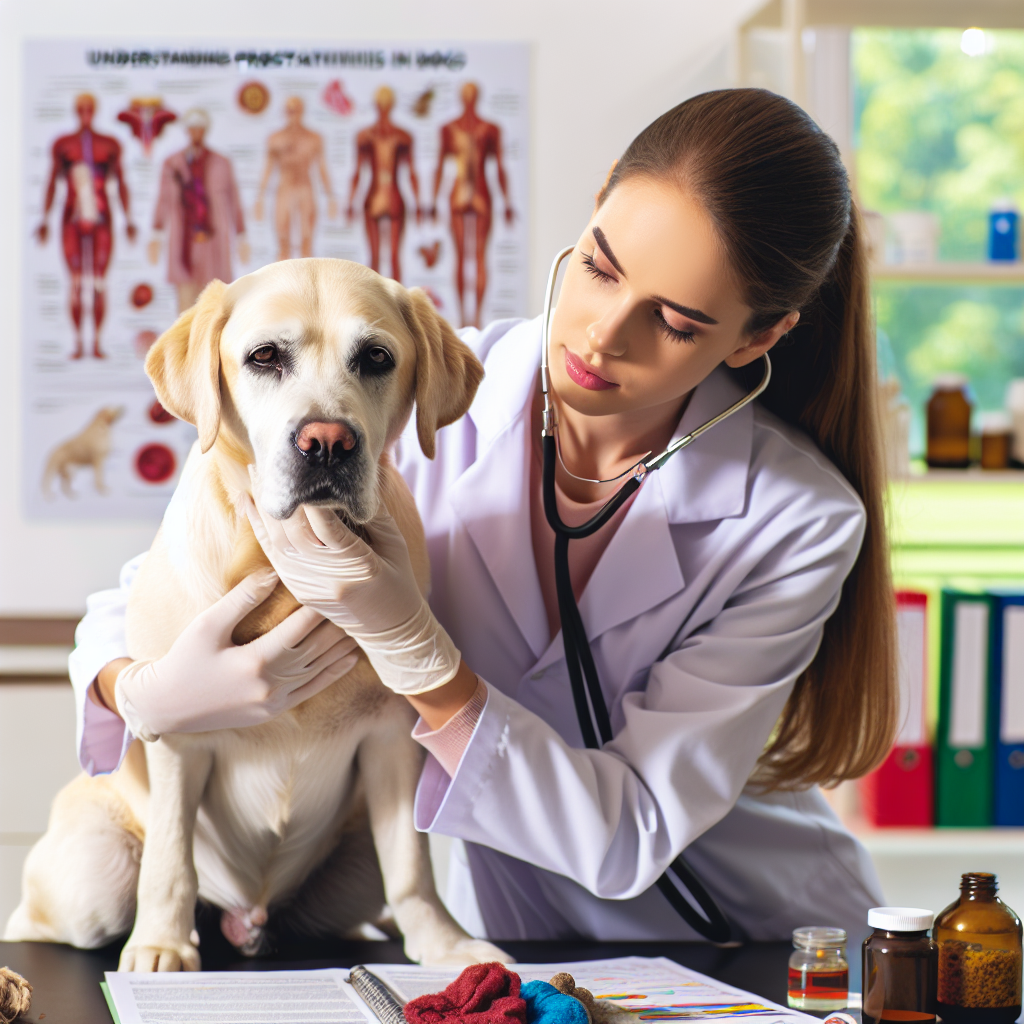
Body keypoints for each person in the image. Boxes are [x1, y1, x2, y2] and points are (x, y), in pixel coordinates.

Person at [70, 90, 896, 947]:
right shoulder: (413, 391)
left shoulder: (799, 520)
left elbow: (634, 834)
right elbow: (149, 589)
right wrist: (136, 689)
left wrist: (418, 656)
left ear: (756, 340)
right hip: (505, 936)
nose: (605, 334)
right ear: (601, 197)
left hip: (755, 945)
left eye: (675, 323)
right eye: (602, 268)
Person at [36, 93, 137, 359]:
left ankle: (97, 344)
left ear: (95, 110)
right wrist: (44, 219)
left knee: (99, 282)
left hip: (103, 219)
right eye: (80, 109)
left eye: (89, 109)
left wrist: (128, 219)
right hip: (71, 219)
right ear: (75, 111)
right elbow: (52, 182)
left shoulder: (110, 145)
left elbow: (120, 183)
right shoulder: (63, 144)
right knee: (77, 282)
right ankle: (80, 343)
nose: (85, 114)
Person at [430, 82, 514, 328]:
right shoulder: (488, 128)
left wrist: (434, 200)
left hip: (460, 193)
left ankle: (470, 319)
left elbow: (440, 166)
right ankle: (471, 318)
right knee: (475, 256)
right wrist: (506, 201)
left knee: (468, 257)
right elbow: (498, 167)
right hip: (480, 193)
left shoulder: (451, 128)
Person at [149, 109, 250, 312]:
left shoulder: (221, 163)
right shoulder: (172, 163)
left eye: (200, 128)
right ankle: (187, 344)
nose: (196, 133)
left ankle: (211, 343)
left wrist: (241, 235)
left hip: (214, 241)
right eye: (192, 128)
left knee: (214, 302)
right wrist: (156, 233)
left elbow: (233, 200)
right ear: (187, 130)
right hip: (183, 240)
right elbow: (164, 199)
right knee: (186, 304)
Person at [346, 85, 422, 283]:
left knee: (381, 259)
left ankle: (383, 310)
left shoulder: (366, 135)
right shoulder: (402, 135)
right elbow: (412, 173)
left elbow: (357, 173)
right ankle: (392, 310)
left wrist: (351, 202)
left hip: (375, 197)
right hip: (391, 196)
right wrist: (419, 203)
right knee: (388, 258)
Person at [254, 96, 337, 261]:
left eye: (296, 110)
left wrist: (331, 197)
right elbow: (268, 168)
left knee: (307, 239)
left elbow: (321, 168)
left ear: (302, 111)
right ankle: (283, 284)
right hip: (284, 188)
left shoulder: (313, 138)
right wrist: (260, 198)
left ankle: (306, 284)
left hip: (305, 188)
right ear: (285, 112)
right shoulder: (275, 139)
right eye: (290, 110)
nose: (293, 114)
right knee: (282, 238)